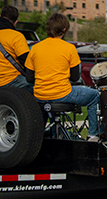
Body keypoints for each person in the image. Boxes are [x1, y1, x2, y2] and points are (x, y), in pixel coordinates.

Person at [25, 13, 101, 141]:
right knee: (94, 95)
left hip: (40, 95)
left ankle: (43, 135)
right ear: (64, 29)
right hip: (62, 93)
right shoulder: (69, 48)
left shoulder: (35, 48)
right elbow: (75, 77)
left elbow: (29, 78)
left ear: (48, 28)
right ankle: (93, 135)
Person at [0, 6, 33, 93]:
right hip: (11, 80)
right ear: (15, 22)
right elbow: (26, 61)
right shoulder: (16, 36)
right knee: (40, 89)